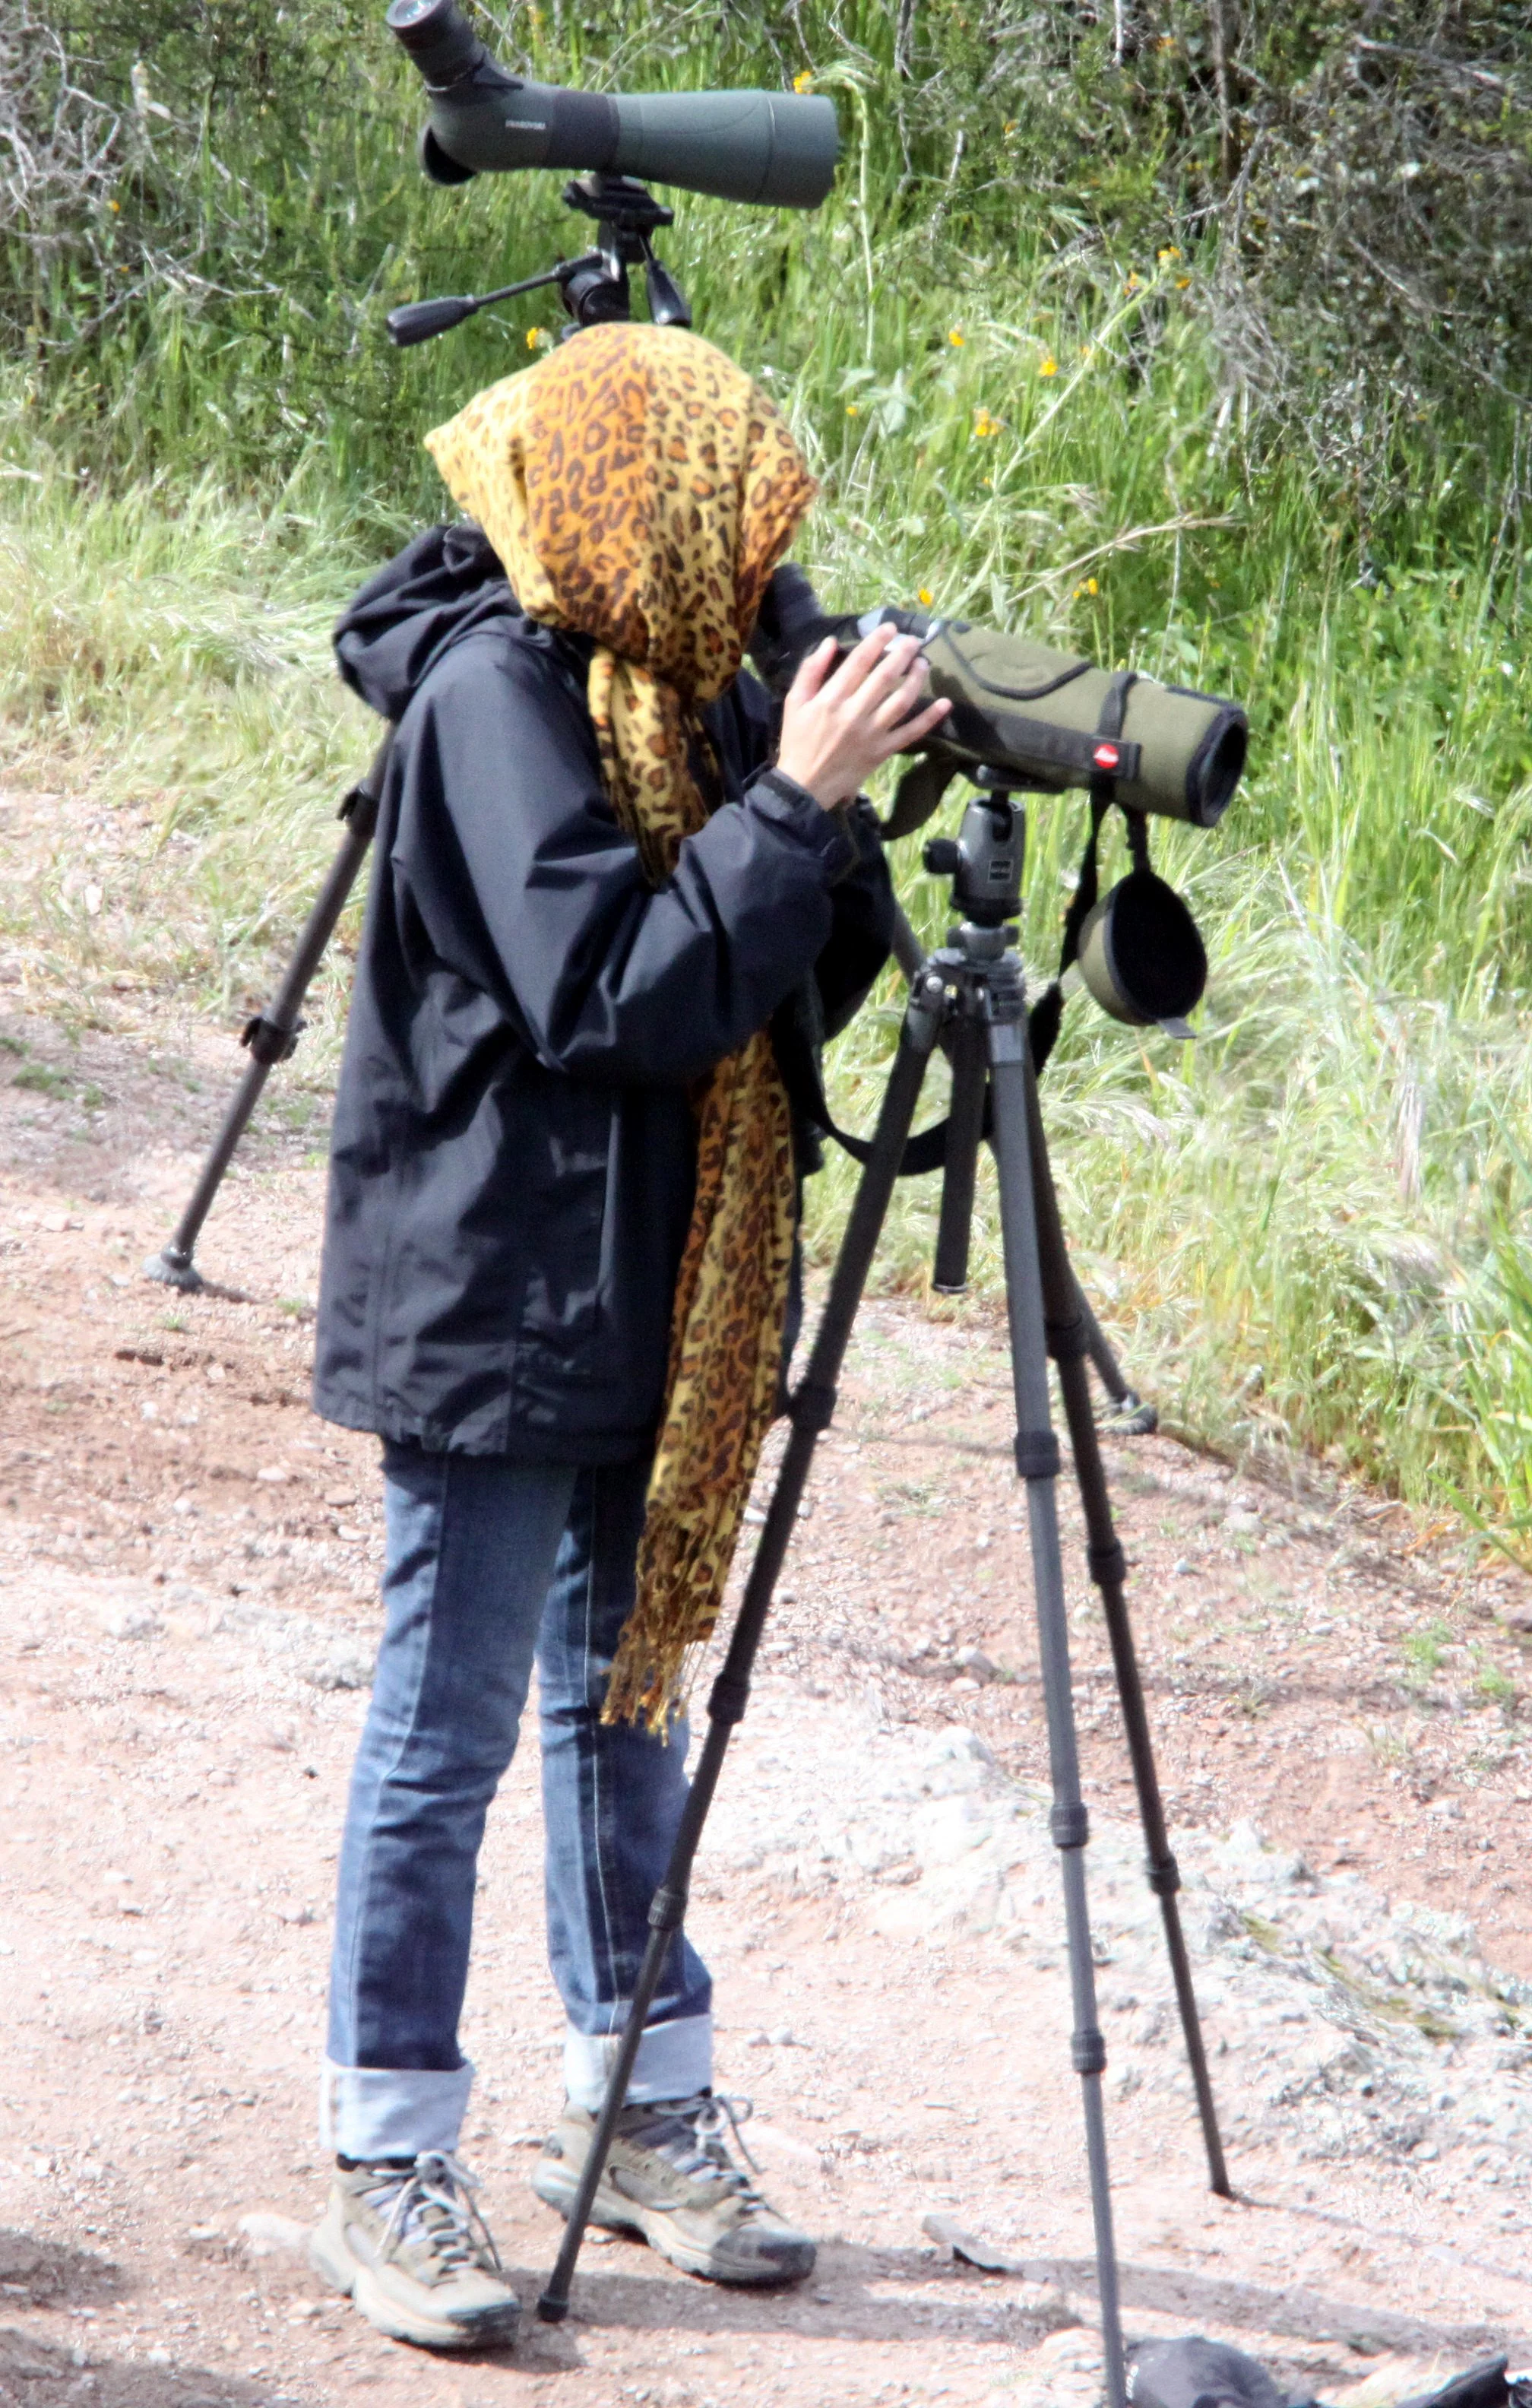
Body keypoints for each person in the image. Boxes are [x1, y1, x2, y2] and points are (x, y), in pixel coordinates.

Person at [304, 321, 950, 2352]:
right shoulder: (492, 702)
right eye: (742, 538)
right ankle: (390, 2150)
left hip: (653, 1291)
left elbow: (772, 1009)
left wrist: (824, 797)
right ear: (645, 514)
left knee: (627, 1711)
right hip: (496, 1300)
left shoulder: (681, 689)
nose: (767, 583)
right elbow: (614, 999)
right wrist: (793, 806)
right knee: (450, 1727)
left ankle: (642, 2105)